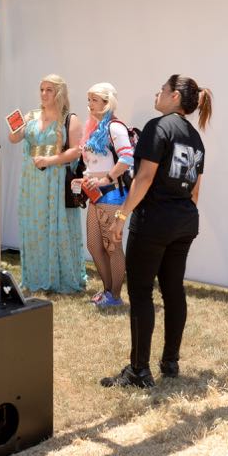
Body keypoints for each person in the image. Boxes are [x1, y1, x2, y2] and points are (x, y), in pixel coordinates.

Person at [101, 74, 211, 389]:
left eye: (162, 90)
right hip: (184, 221)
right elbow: (195, 193)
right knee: (173, 289)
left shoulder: (157, 127)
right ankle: (170, 362)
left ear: (175, 96)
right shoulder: (195, 137)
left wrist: (122, 216)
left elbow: (145, 178)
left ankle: (138, 371)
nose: (157, 94)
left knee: (140, 292)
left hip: (154, 221)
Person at [9, 74, 85, 293]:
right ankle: (36, 275)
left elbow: (75, 151)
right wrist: (14, 126)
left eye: (49, 90)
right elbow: (14, 139)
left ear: (59, 92)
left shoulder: (70, 118)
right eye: (42, 89)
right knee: (34, 225)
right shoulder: (31, 115)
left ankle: (60, 277)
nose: (43, 94)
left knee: (57, 225)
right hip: (32, 180)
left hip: (56, 179)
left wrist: (51, 160)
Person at [80, 82, 136, 308]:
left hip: (112, 195)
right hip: (96, 195)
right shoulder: (95, 127)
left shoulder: (115, 127)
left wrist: (105, 180)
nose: (90, 104)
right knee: (94, 246)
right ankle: (107, 292)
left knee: (112, 247)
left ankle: (114, 295)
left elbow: (126, 159)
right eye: (89, 99)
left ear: (106, 102)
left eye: (94, 100)